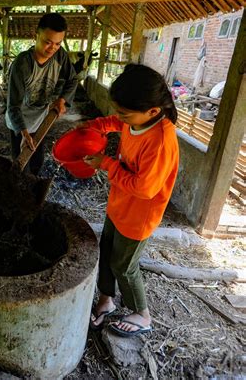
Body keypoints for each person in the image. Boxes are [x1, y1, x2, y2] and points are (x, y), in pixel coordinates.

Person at [82, 64, 179, 337]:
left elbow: (145, 188)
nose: (119, 117)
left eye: (124, 113)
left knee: (124, 266)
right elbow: (116, 123)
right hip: (119, 205)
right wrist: (95, 125)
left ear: (153, 111)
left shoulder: (160, 141)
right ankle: (106, 300)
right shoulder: (135, 121)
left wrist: (107, 165)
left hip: (139, 215)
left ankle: (142, 314)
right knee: (107, 252)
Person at [5, 13, 77, 175]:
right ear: (35, 35)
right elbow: (13, 105)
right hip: (19, 123)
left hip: (40, 121)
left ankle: (33, 189)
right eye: (48, 42)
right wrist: (23, 132)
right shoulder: (23, 64)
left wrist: (62, 100)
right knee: (21, 164)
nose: (52, 48)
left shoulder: (60, 55)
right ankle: (19, 194)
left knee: (37, 161)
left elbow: (72, 80)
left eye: (58, 44)